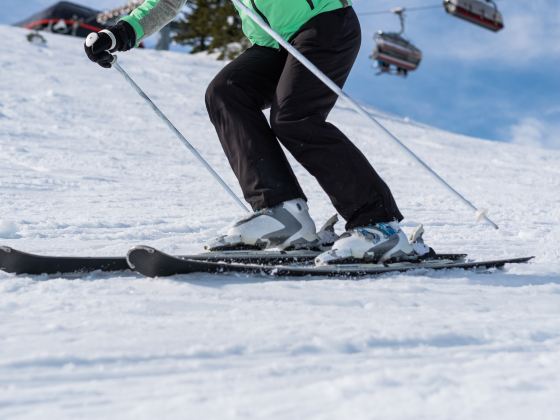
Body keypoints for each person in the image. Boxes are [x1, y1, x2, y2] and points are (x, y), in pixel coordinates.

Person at [84, 0, 420, 265]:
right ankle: (283, 214)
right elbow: (166, 3)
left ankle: (379, 225)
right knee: (226, 91)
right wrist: (121, 33)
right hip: (273, 42)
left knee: (294, 116)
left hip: (324, 24)